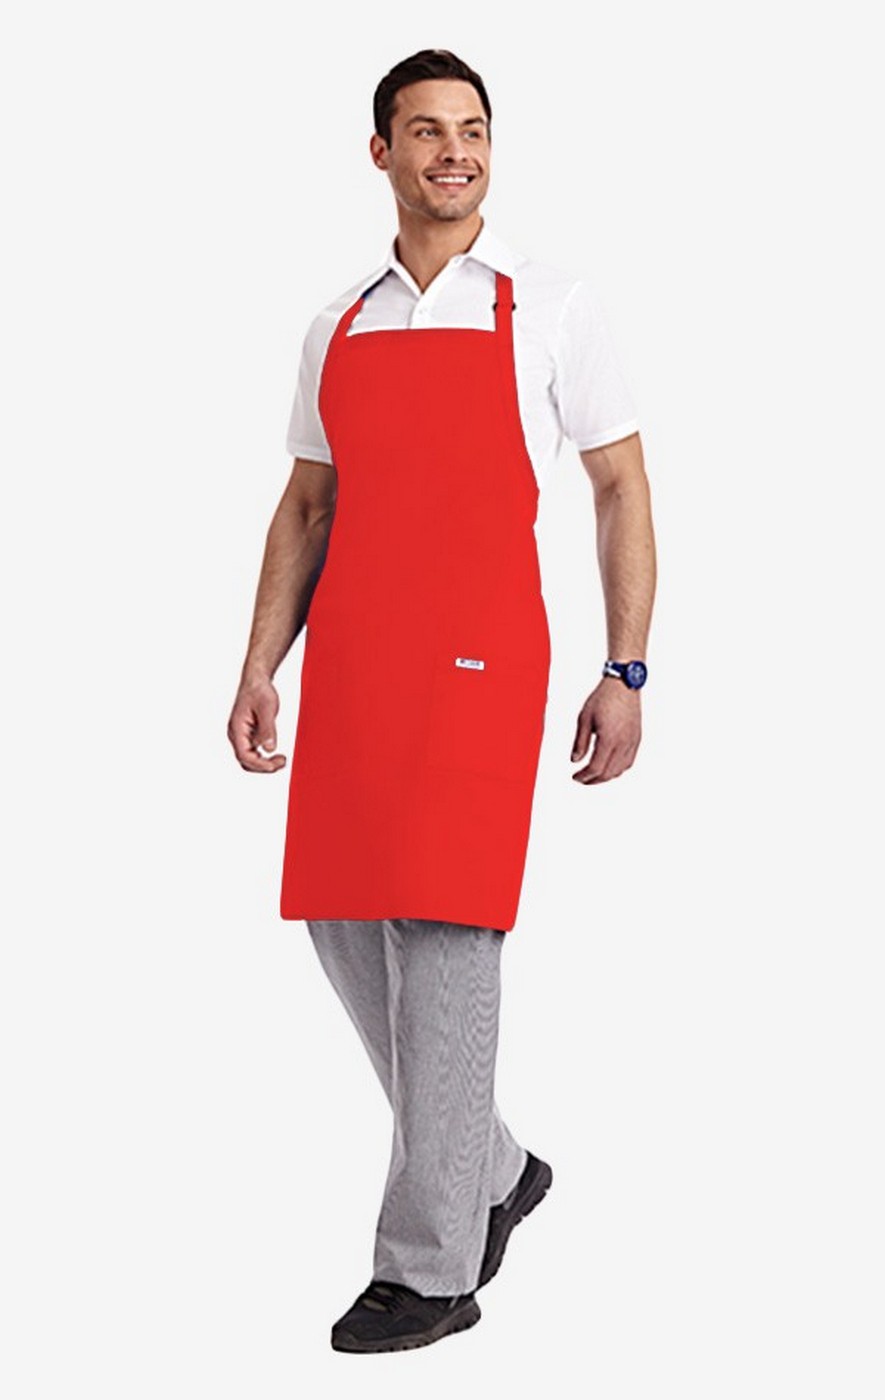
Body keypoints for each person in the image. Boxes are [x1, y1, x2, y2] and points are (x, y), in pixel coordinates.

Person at [227, 48, 656, 1353]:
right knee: (343, 924)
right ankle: (494, 1167)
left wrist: (625, 666)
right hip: (356, 662)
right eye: (425, 131)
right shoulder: (338, 325)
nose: (453, 151)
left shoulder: (550, 305)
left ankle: (430, 1267)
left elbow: (620, 487)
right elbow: (308, 504)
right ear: (382, 153)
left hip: (477, 665)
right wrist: (259, 662)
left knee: (446, 940)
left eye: (472, 129)